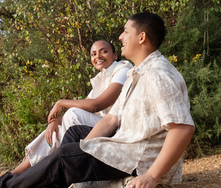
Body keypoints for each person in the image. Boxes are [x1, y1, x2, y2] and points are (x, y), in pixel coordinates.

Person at [0, 12, 195, 188]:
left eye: (126, 32)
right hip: (127, 145)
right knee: (73, 136)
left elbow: (183, 128)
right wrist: (83, 149)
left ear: (141, 37)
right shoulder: (137, 73)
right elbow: (112, 119)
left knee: (65, 156)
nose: (121, 37)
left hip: (139, 158)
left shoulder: (159, 74)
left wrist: (152, 176)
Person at [11, 40, 132, 174]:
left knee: (73, 114)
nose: (98, 56)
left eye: (104, 51)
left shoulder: (122, 70)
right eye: (93, 54)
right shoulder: (101, 78)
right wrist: (56, 122)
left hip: (117, 128)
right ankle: (19, 171)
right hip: (103, 125)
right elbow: (85, 107)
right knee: (56, 127)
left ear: (115, 55)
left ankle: (47, 170)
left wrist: (60, 102)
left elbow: (95, 105)